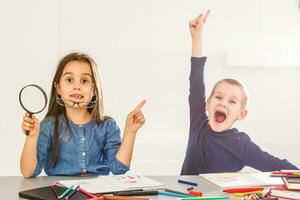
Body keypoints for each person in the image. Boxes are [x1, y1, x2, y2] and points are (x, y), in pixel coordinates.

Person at [181, 10, 298, 175]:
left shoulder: (240, 144)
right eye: (219, 97)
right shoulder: (198, 122)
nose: (223, 103)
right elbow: (196, 82)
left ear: (241, 114)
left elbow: (274, 164)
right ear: (207, 103)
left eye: (232, 101)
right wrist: (196, 38)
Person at [20, 52, 146, 178]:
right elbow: (28, 172)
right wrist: (31, 137)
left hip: (96, 194)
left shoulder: (107, 126)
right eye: (69, 80)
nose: (77, 87)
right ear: (58, 88)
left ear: (94, 89)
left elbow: (119, 168)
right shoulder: (48, 126)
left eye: (85, 81)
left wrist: (130, 131)